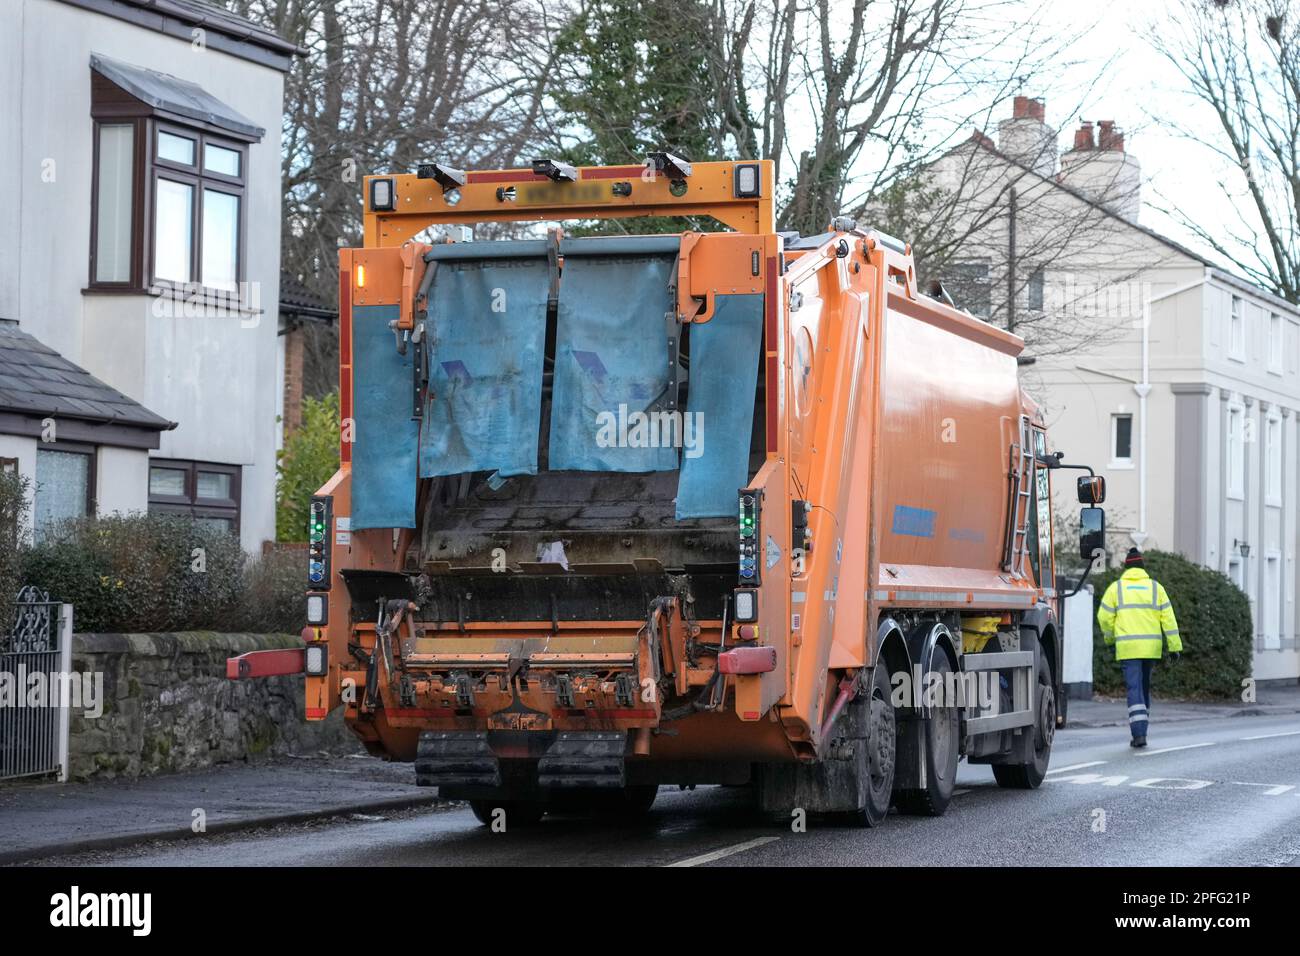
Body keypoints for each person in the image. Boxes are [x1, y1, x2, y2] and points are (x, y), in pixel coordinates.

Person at [1096, 547, 1182, 748]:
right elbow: (1169, 619)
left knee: (1134, 689)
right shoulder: (1156, 588)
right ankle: (1143, 730)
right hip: (1151, 648)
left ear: (1126, 567)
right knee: (1144, 689)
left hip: (1128, 648)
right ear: (1143, 567)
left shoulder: (1116, 589)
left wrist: (1110, 639)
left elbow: (1104, 617)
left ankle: (1138, 734)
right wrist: (1174, 647)